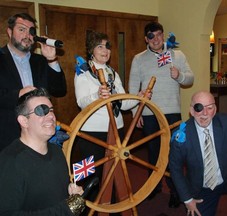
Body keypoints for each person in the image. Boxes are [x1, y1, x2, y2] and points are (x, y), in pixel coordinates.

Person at [74, 31, 149, 208]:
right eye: (100, 46)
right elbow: (81, 102)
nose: (105, 50)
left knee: (115, 173)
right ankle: (90, 209)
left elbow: (122, 104)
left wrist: (139, 97)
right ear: (91, 50)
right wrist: (97, 95)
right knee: (91, 174)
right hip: (92, 133)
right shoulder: (83, 71)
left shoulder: (113, 74)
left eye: (107, 46)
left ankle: (112, 207)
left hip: (116, 130)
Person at [128, 21, 194, 207]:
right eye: (151, 36)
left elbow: (190, 78)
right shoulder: (139, 59)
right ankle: (153, 187)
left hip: (172, 114)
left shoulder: (177, 54)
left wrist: (179, 75)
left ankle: (176, 191)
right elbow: (133, 88)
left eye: (159, 35)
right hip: (149, 114)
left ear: (163, 35)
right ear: (145, 39)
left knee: (175, 155)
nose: (156, 39)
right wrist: (136, 111)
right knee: (153, 153)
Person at [0, 88, 84, 216]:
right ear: (24, 121)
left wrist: (69, 192)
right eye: (41, 110)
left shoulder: (57, 151)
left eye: (51, 110)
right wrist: (66, 209)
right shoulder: (11, 162)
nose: (51, 116)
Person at [0, 13, 67, 152]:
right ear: (9, 31)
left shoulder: (40, 61)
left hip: (41, 137)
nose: (27, 34)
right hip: (7, 137)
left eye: (31, 31)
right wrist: (19, 94)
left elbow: (60, 90)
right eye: (21, 29)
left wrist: (52, 59)